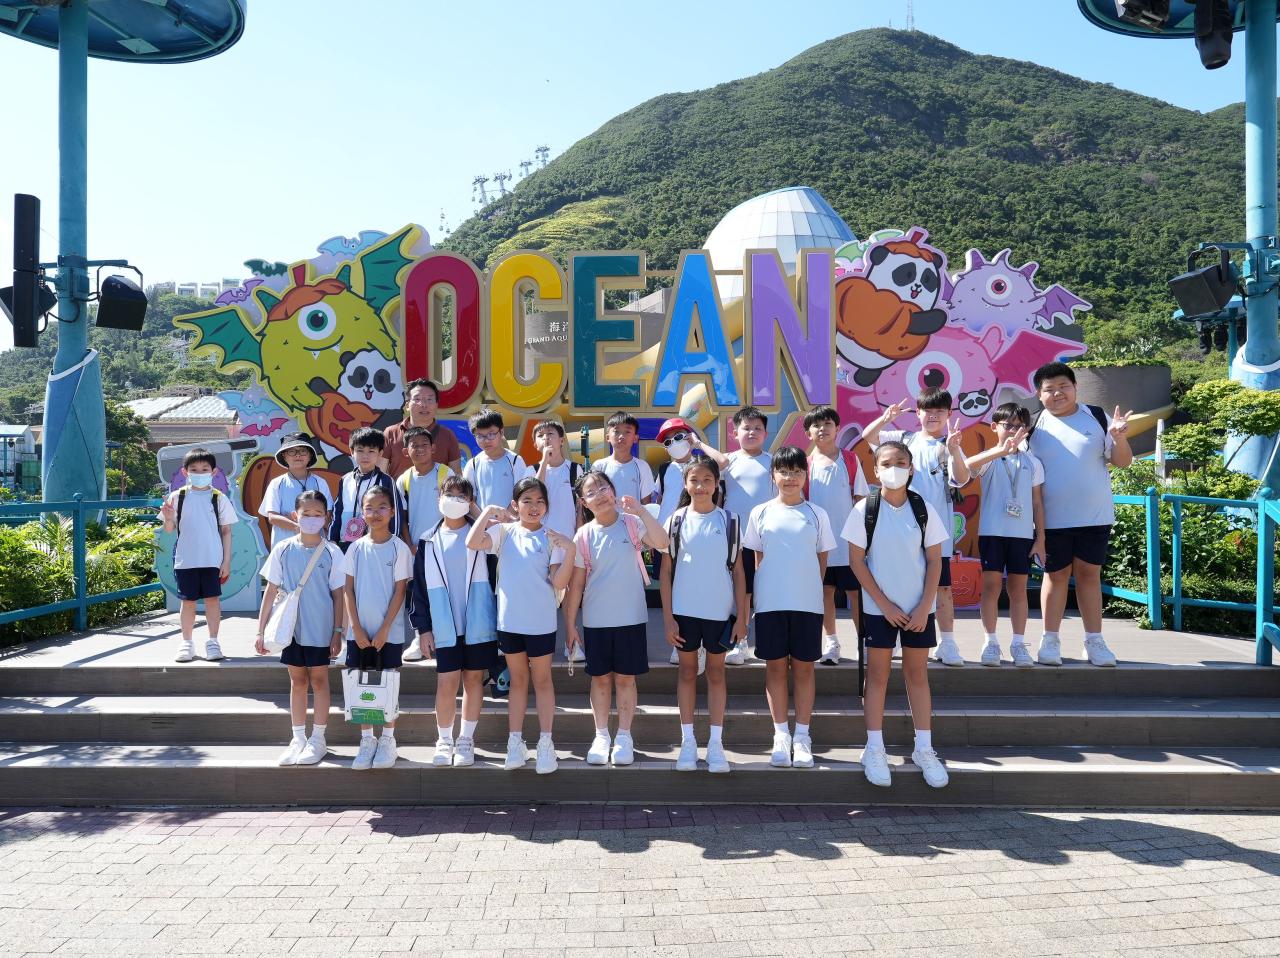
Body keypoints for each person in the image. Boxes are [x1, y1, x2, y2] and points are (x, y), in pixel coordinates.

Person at [845, 440, 950, 789]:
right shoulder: (865, 509)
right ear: (875, 470)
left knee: (917, 675)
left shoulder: (923, 508)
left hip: (919, 610)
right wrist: (884, 605)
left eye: (901, 462)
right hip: (879, 610)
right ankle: (874, 748)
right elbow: (856, 562)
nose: (894, 469)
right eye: (887, 463)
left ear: (912, 468)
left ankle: (924, 748)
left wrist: (924, 605)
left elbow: (935, 560)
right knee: (877, 675)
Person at [1028, 362, 1133, 668]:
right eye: (1049, 389)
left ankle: (1094, 641)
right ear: (1039, 394)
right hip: (1051, 520)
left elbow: (1122, 462)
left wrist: (1120, 437)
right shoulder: (1033, 426)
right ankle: (1050, 640)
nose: (1057, 393)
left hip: (1094, 516)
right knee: (1055, 576)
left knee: (1089, 575)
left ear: (1075, 387)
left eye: (1063, 386)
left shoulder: (1096, 416)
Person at [468, 477, 575, 774]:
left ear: (547, 506)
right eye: (527, 501)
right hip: (510, 623)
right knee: (517, 682)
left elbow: (559, 582)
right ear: (515, 505)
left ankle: (545, 743)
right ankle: (515, 743)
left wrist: (571, 551)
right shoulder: (503, 531)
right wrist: (488, 511)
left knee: (542, 681)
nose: (534, 506)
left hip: (541, 624)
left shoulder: (552, 537)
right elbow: (473, 542)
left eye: (540, 501)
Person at [563, 471, 670, 766]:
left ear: (613, 490)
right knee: (599, 680)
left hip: (631, 618)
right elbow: (576, 586)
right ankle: (601, 735)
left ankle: (624, 736)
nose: (599, 494)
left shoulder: (632, 523)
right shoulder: (584, 535)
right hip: (596, 621)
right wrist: (570, 625)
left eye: (603, 487)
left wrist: (641, 511)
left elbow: (662, 541)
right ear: (583, 502)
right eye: (591, 492)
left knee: (625, 679)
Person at [741, 445, 836, 769]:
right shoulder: (760, 513)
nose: (790, 478)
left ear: (805, 476)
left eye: (796, 472)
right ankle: (781, 735)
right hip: (770, 604)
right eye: (784, 471)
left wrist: (806, 588)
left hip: (807, 604)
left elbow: (821, 560)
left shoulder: (817, 514)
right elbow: (757, 559)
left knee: (805, 669)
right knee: (776, 668)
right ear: (773, 475)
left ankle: (803, 736)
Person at [863, 388, 970, 666]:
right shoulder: (903, 440)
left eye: (939, 411)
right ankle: (893, 641)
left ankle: (947, 643)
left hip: (935, 534)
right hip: (897, 530)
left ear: (949, 414)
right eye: (927, 410)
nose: (933, 416)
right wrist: (887, 418)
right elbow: (868, 437)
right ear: (918, 413)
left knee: (941, 588)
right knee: (895, 583)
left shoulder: (950, 444)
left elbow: (961, 478)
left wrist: (954, 449)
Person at [659, 457, 747, 774]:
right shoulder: (675, 520)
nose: (700, 486)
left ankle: (715, 744)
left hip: (719, 612)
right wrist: (668, 618)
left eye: (707, 480)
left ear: (716, 483)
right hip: (684, 612)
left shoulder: (730, 521)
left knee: (716, 673)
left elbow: (739, 572)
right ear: (685, 484)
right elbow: (665, 573)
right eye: (694, 480)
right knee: (686, 673)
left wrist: (742, 617)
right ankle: (688, 742)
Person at [408, 476, 497, 768]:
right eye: (450, 494)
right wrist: (423, 629)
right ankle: (444, 740)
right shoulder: (428, 540)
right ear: (439, 499)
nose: (455, 501)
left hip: (478, 623)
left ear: (471, 502)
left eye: (462, 496)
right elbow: (419, 589)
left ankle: (466, 740)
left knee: (473, 680)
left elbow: (498, 579)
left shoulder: (483, 536)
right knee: (446, 682)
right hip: (444, 625)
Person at [254, 489, 346, 766]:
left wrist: (338, 632)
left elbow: (339, 595)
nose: (312, 518)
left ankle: (318, 738)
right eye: (306, 513)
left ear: (327, 517)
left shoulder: (332, 551)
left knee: (319, 680)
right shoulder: (283, 549)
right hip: (290, 628)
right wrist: (260, 631)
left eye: (318, 514)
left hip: (320, 629)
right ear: (295, 515)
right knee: (297, 681)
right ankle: (297, 738)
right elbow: (270, 591)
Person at [964, 403, 1046, 668]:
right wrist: (1000, 451)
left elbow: (1037, 503)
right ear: (994, 427)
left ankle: (1018, 644)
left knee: (1018, 589)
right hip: (992, 533)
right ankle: (990, 642)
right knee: (990, 587)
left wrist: (1040, 539)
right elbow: (966, 467)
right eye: (1007, 425)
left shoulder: (1032, 462)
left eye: (1019, 426)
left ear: (1027, 430)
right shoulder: (990, 458)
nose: (1013, 430)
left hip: (1021, 536)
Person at [343, 485, 414, 770]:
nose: (375, 513)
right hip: (359, 633)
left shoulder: (399, 549)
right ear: (362, 512)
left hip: (389, 633)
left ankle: (387, 740)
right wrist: (356, 629)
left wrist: (385, 629)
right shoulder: (355, 548)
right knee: (361, 685)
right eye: (369, 508)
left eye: (382, 507)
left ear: (392, 512)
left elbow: (400, 591)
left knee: (388, 684)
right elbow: (348, 590)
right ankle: (367, 740)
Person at [706, 406, 774, 665]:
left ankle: (770, 643)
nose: (752, 432)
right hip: (736, 537)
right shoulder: (727, 462)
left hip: (767, 539)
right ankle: (741, 642)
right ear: (734, 433)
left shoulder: (773, 462)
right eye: (746, 428)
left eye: (758, 428)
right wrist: (697, 443)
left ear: (766, 433)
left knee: (765, 590)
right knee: (740, 592)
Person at [803, 405, 869, 665]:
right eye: (816, 425)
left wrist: (862, 539)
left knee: (855, 594)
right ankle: (831, 643)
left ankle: (864, 642)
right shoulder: (805, 465)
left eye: (828, 424)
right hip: (818, 546)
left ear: (837, 428)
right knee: (825, 593)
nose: (822, 429)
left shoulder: (850, 460)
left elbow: (861, 499)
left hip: (848, 545)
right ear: (808, 433)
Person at [160, 447, 237, 663]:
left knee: (213, 600)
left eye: (205, 469)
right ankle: (186, 643)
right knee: (188, 602)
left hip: (212, 560)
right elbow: (169, 529)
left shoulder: (219, 498)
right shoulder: (178, 496)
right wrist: (168, 518)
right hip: (185, 560)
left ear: (214, 472)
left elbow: (226, 531)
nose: (200, 472)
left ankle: (213, 642)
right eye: (194, 469)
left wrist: (226, 561)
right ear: (185, 472)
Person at [397, 426, 453, 662]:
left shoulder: (446, 473)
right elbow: (402, 518)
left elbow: (454, 509)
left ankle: (445, 639)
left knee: (445, 593)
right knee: (418, 595)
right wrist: (410, 545)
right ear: (405, 451)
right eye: (414, 445)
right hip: (417, 550)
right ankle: (420, 639)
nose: (419, 449)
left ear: (433, 448)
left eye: (424, 445)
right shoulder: (403, 479)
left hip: (444, 546)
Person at [330, 427, 405, 552]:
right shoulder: (345, 480)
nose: (365, 456)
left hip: (376, 545)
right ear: (352, 451)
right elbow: (337, 512)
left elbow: (396, 514)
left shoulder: (386, 481)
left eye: (371, 451)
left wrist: (391, 542)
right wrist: (332, 540)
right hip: (345, 543)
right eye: (360, 450)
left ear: (380, 453)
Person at [381, 378, 463, 478]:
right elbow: (380, 472)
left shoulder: (447, 435)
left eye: (429, 399)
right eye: (417, 399)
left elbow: (456, 476)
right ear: (407, 405)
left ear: (436, 405)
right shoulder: (391, 433)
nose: (424, 405)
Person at [258, 433, 326, 548]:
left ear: (310, 455)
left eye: (303, 451)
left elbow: (327, 514)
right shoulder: (276, 484)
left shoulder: (320, 482)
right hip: (284, 546)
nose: (297, 455)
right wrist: (300, 527)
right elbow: (273, 517)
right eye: (292, 451)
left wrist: (305, 524)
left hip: (315, 545)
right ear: (284, 456)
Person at [591, 410, 655, 504]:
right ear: (608, 437)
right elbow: (594, 501)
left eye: (627, 432)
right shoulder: (599, 466)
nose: (621, 436)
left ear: (635, 438)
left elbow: (646, 504)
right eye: (616, 431)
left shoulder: (642, 466)